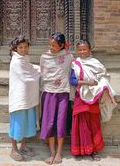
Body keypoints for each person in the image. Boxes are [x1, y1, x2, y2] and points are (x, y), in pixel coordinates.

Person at [70, 39, 117, 161]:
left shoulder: (96, 63)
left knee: (93, 123)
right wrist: (87, 82)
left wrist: (99, 85)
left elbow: (104, 77)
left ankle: (94, 150)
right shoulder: (75, 63)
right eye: (79, 50)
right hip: (80, 95)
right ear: (77, 51)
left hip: (93, 96)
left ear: (90, 50)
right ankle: (80, 149)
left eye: (84, 49)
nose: (82, 52)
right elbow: (72, 81)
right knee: (80, 122)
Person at [40, 32, 74, 164]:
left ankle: (59, 152)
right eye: (50, 45)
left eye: (54, 45)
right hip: (49, 93)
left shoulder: (68, 57)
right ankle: (52, 152)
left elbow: (75, 70)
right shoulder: (44, 56)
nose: (51, 47)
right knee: (49, 122)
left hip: (63, 93)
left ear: (61, 46)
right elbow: (43, 73)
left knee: (60, 123)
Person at [9, 35, 40, 161]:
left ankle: (23, 146)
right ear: (15, 48)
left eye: (25, 47)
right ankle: (13, 149)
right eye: (20, 47)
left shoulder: (24, 59)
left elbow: (31, 69)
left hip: (27, 97)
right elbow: (26, 77)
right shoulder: (16, 62)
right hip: (19, 98)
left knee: (26, 122)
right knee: (17, 124)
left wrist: (40, 70)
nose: (23, 49)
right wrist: (38, 74)